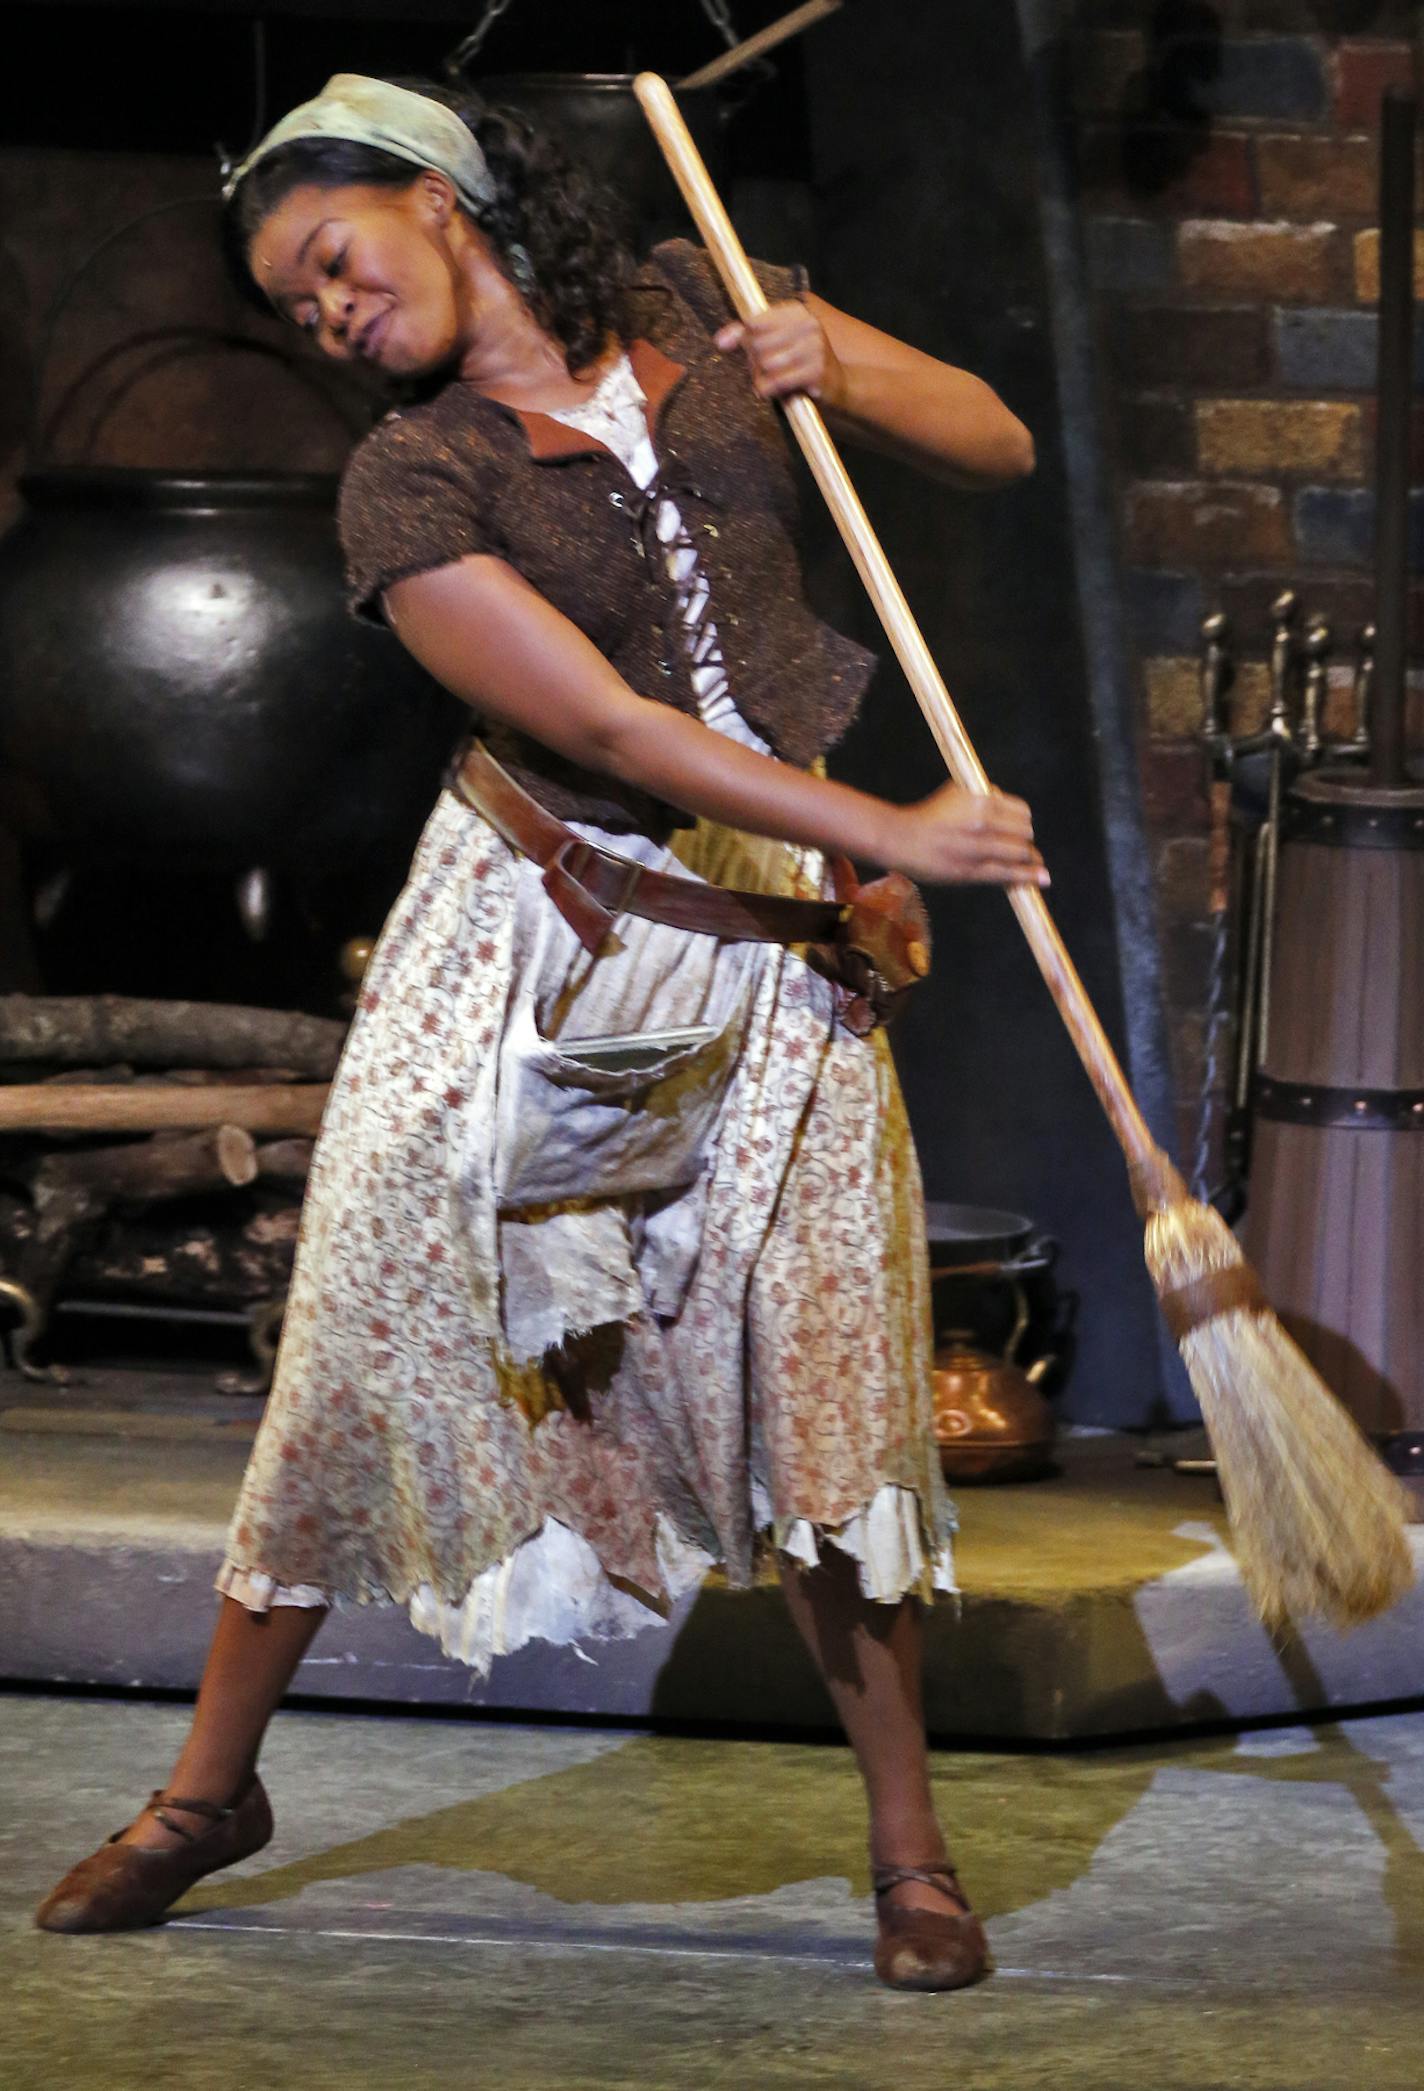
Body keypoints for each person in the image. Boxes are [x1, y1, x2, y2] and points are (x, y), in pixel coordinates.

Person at [35, 74, 1042, 1991]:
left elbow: (991, 444)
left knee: (817, 1346)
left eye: (329, 258)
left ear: (438, 196)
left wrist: (842, 360)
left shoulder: (704, 293)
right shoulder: (411, 477)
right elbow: (603, 730)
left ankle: (910, 1858)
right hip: (534, 926)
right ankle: (207, 1791)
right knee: (362, 1328)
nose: (322, 311)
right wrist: (893, 832)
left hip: (771, 927)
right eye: (293, 303)